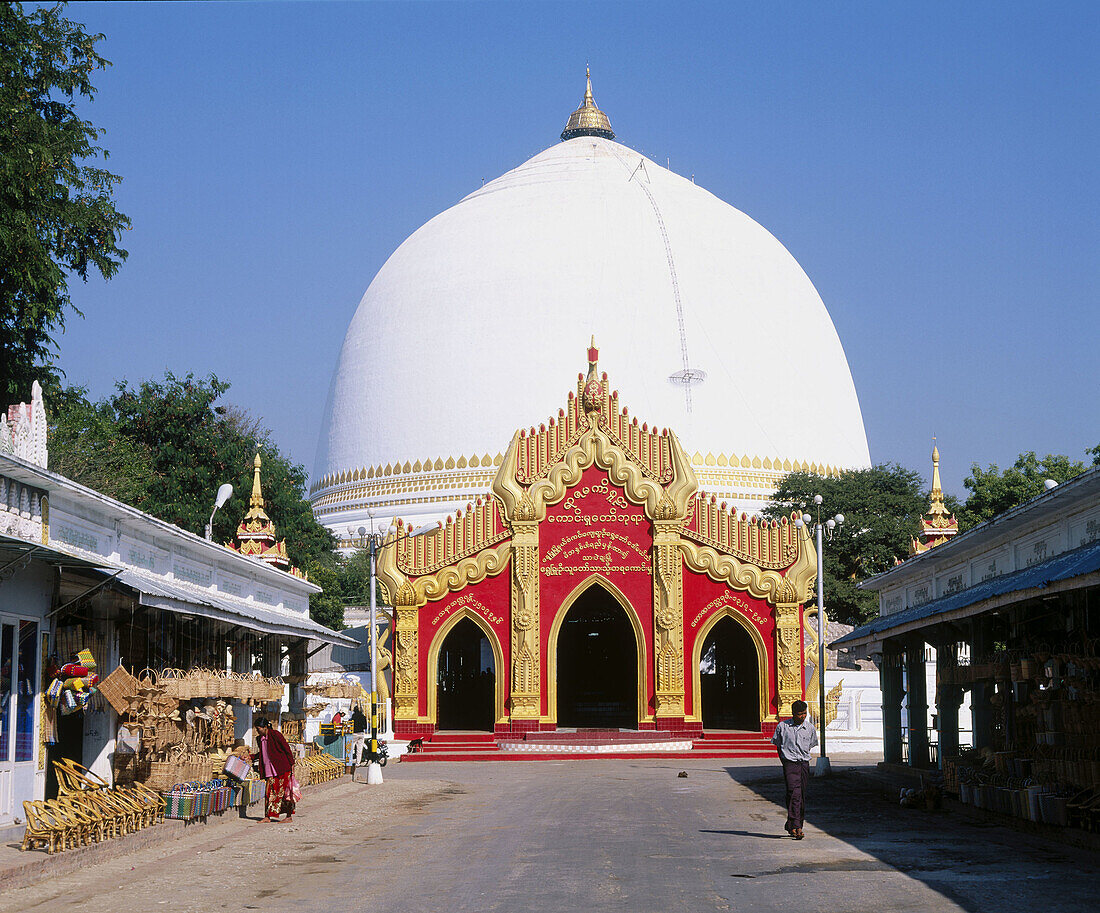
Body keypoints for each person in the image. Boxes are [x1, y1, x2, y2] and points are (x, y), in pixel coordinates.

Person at [771, 699, 818, 839]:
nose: (802, 717)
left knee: (800, 794)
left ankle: (794, 824)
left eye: (804, 713)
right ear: (793, 714)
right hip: (790, 764)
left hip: (803, 764)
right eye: (799, 714)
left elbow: (810, 745)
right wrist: (785, 762)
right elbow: (778, 746)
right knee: (793, 792)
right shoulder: (782, 727)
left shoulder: (809, 728)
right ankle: (796, 825)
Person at [252, 717, 298, 823]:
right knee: (269, 793)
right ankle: (267, 816)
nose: (257, 731)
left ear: (265, 727)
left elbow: (286, 748)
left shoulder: (276, 735)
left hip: (282, 768)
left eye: (259, 729)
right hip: (269, 770)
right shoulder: (260, 739)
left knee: (284, 793)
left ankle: (288, 816)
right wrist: (251, 757)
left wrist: (292, 764)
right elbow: (263, 753)